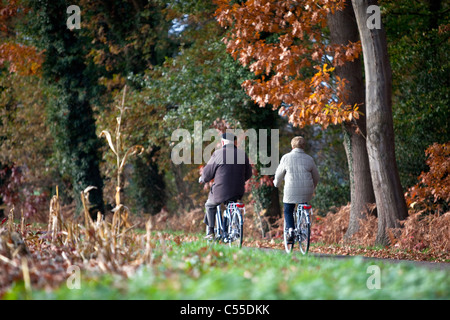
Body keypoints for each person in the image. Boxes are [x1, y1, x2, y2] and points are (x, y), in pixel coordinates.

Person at [199, 132, 252, 239]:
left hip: (220, 190)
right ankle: (232, 225)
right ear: (235, 142)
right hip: (238, 190)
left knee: (210, 205)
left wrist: (203, 179)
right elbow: (248, 174)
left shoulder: (218, 154)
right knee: (230, 204)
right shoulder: (242, 154)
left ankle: (210, 231)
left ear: (223, 142)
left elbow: (207, 173)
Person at [274, 136, 319, 243]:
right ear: (303, 146)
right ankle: (303, 226)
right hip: (307, 191)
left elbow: (279, 175)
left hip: (291, 190)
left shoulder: (286, 158)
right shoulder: (309, 159)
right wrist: (312, 187)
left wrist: (276, 183)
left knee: (288, 210)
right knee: (303, 204)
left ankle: (290, 230)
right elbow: (316, 177)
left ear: (292, 146)